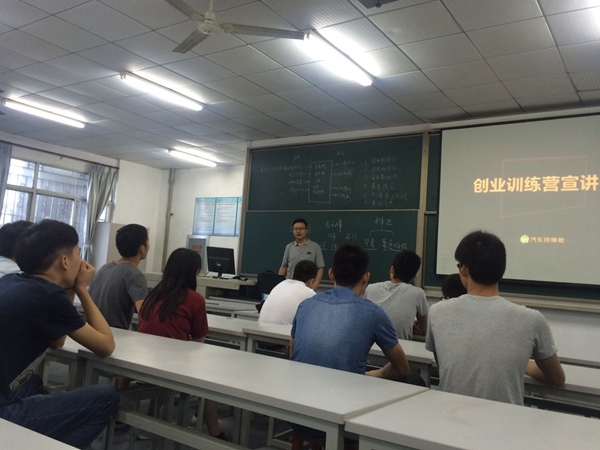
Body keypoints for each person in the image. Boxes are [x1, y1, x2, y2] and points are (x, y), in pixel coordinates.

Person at [0, 220, 118, 449]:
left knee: (32, 384)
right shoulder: (47, 296)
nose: (82, 262)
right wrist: (82, 289)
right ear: (65, 261)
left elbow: (57, 341)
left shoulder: (11, 281)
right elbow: (106, 346)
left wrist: (69, 290)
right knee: (106, 397)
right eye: (78, 254)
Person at [291, 243, 422, 448]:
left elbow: (294, 355)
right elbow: (402, 368)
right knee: (413, 379)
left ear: (331, 274)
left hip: (297, 412)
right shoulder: (373, 313)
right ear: (366, 277)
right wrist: (374, 374)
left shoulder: (306, 305)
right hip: (341, 415)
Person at [426, 231, 566, 405]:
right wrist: (525, 364)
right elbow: (557, 378)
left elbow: (445, 364)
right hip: (505, 420)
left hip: (448, 415)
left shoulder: (437, 312)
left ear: (463, 269)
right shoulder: (532, 319)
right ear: (501, 269)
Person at [138, 248, 225, 440]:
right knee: (212, 379)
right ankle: (215, 434)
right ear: (193, 273)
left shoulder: (152, 295)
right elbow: (198, 342)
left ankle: (150, 420)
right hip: (172, 365)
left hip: (144, 360)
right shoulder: (195, 299)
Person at [89, 224, 149, 329]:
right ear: (142, 248)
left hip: (91, 332)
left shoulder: (104, 268)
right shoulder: (135, 275)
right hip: (114, 335)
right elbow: (144, 315)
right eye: (148, 241)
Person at [364, 250, 429, 340]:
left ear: (392, 269)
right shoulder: (418, 293)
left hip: (370, 345)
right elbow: (424, 330)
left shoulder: (370, 288)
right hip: (400, 346)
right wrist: (408, 326)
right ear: (414, 276)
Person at [259, 260, 317, 325]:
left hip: (259, 328)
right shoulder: (310, 293)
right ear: (311, 281)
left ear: (293, 274)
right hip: (282, 331)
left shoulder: (280, 284)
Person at [278, 218, 324, 289]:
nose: (298, 231)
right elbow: (284, 267)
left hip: (307, 287)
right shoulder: (289, 247)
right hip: (289, 286)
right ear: (293, 231)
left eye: (301, 228)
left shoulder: (315, 247)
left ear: (306, 230)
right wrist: (279, 285)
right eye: (296, 229)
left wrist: (314, 286)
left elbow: (320, 268)